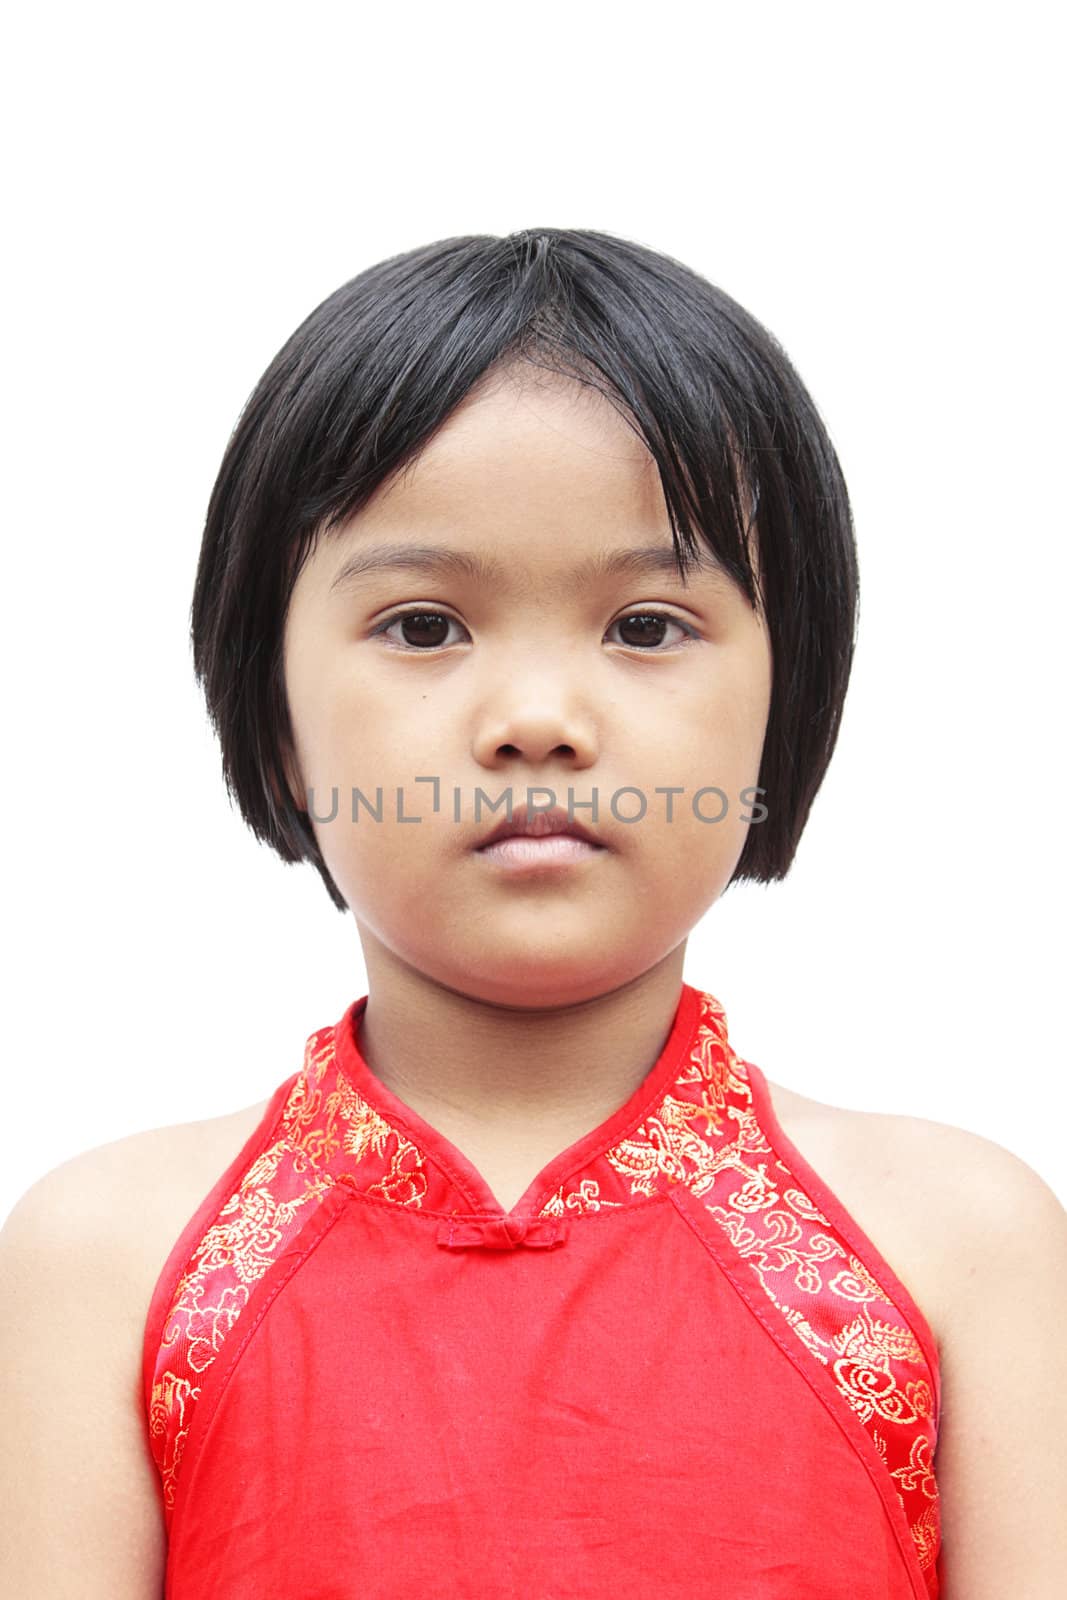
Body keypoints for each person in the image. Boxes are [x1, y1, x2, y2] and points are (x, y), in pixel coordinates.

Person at [1, 229, 1064, 1599]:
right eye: (427, 625)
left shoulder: (964, 1251)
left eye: (648, 625)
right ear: (270, 721)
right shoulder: (105, 1264)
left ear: (785, 705)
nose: (539, 723)